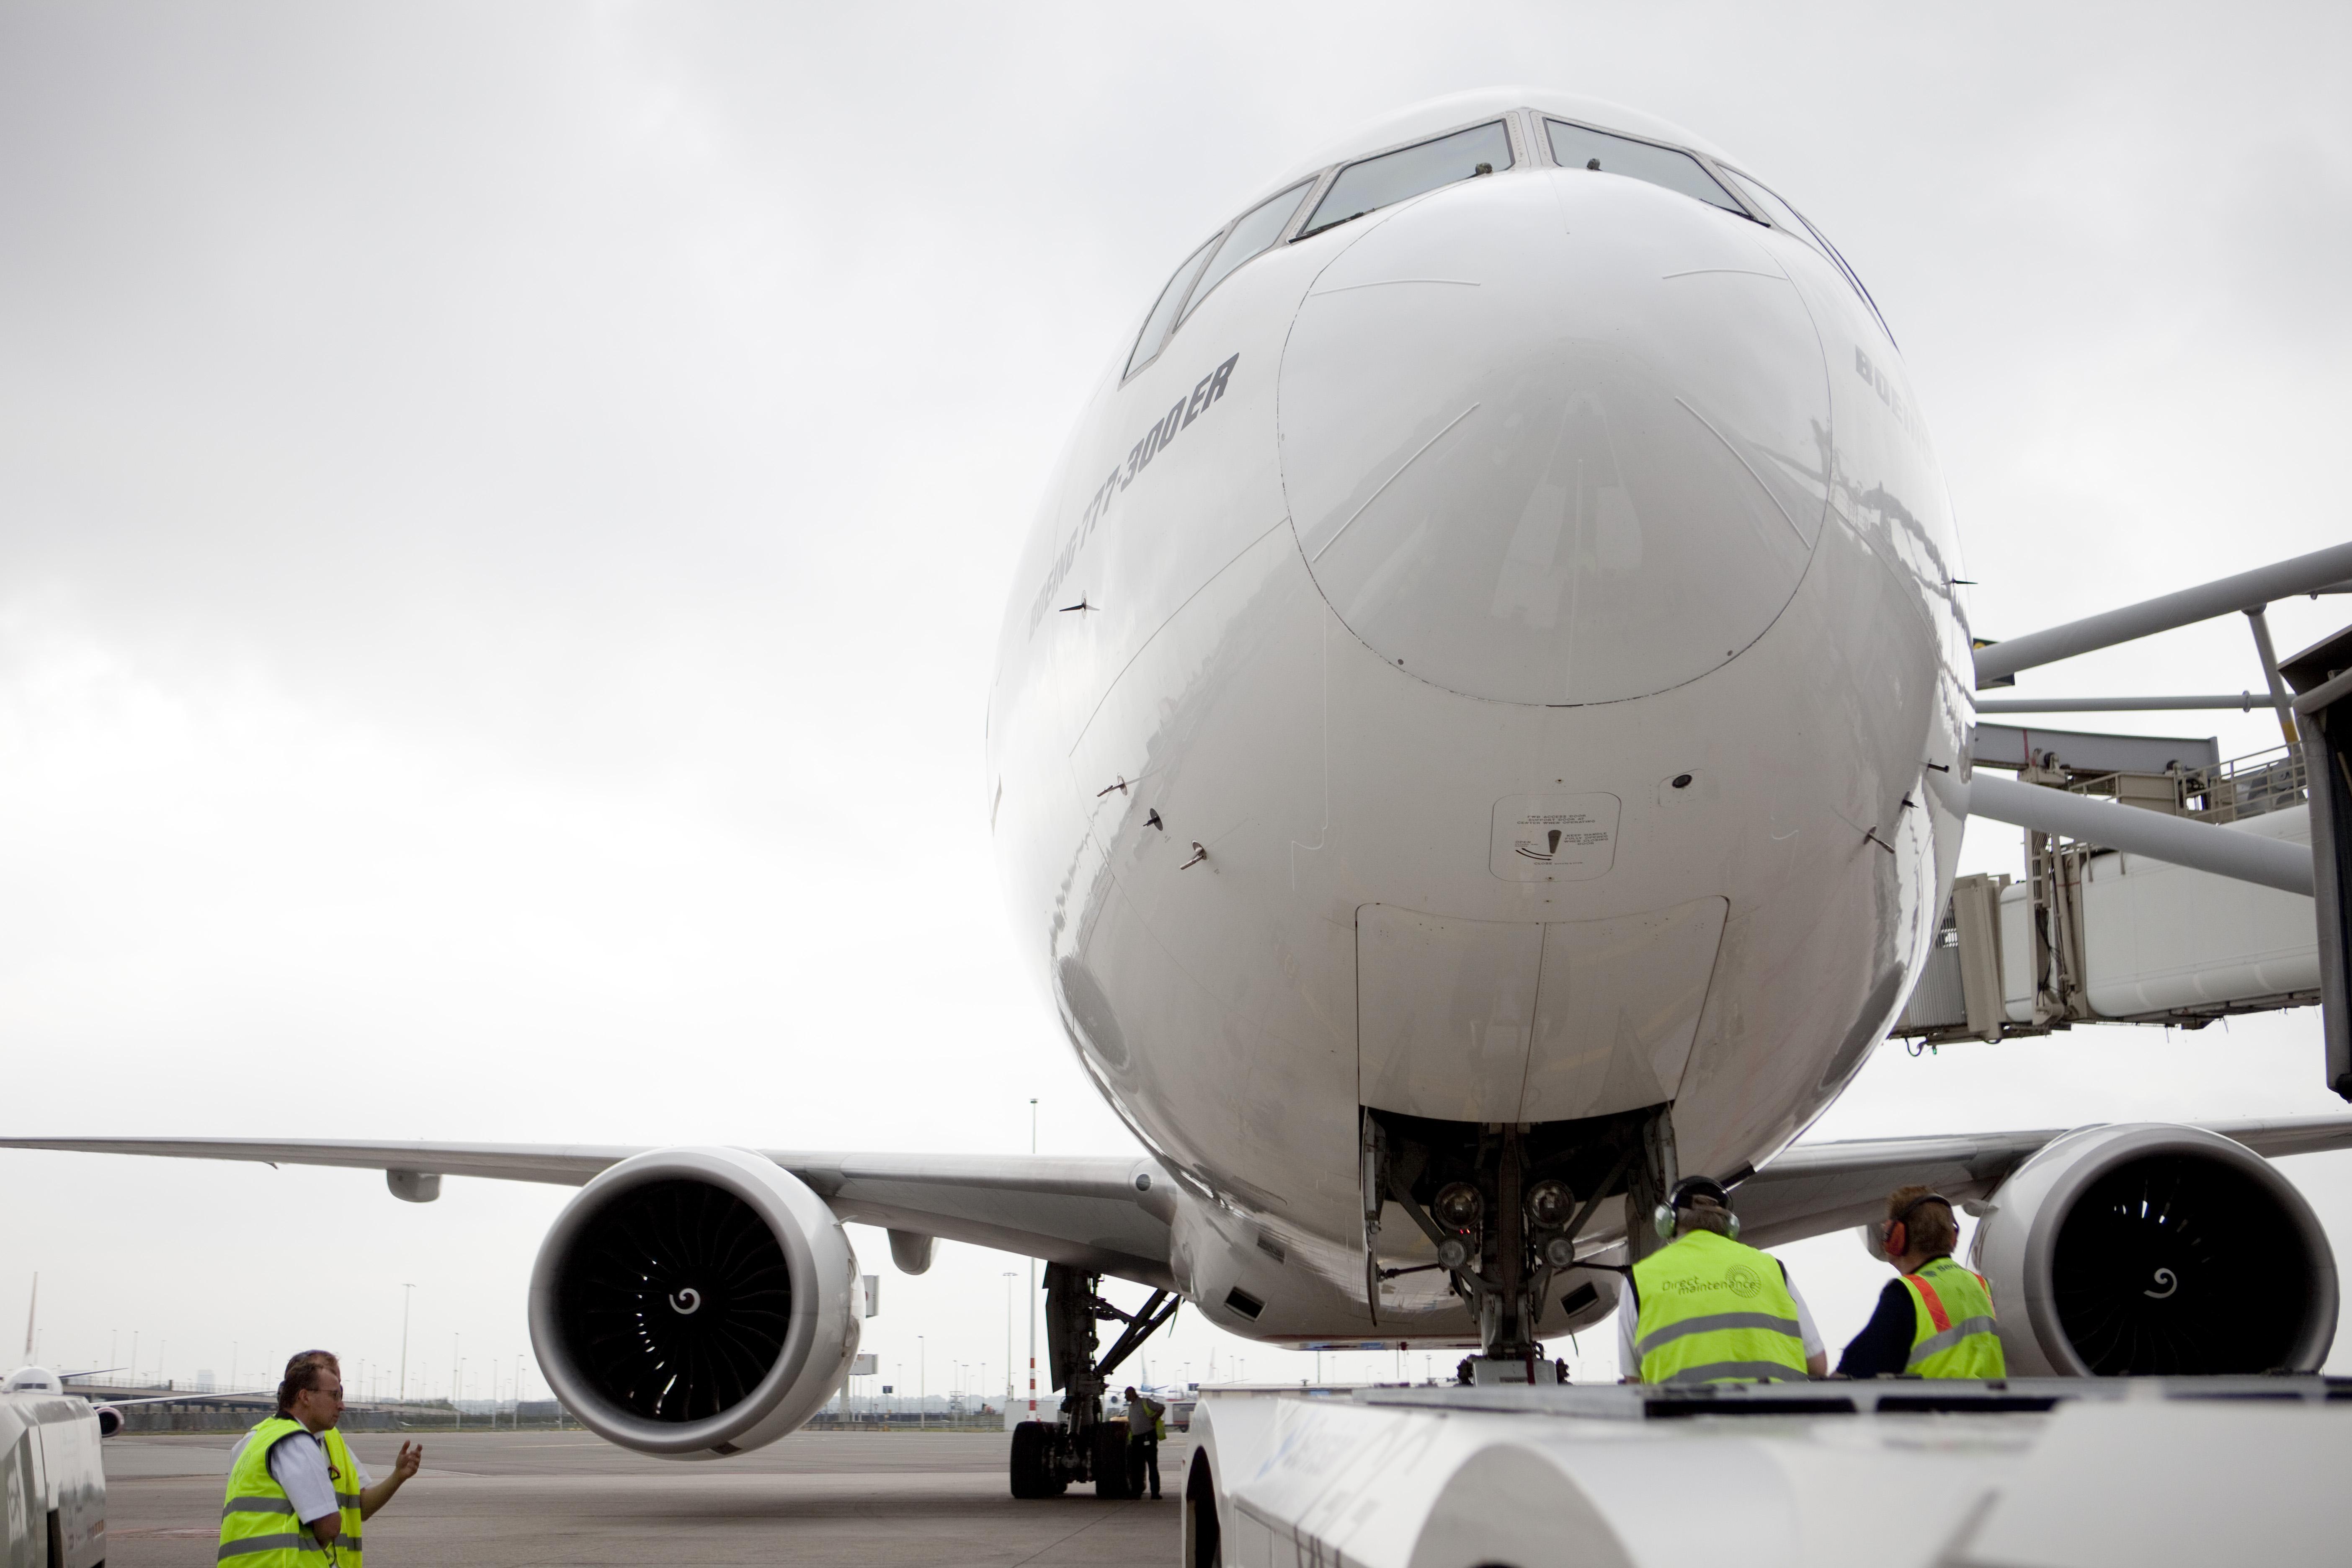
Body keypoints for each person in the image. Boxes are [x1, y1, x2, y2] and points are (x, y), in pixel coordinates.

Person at [1620, 1175, 1829, 1383]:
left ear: (1668, 1221)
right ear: (1730, 1225)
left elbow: (1632, 1381)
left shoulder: (1639, 1280)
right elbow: (1818, 1365)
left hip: (1683, 1406)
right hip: (1777, 1405)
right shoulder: (1773, 1268)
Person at [220, 1349, 421, 1564]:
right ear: (303, 1393)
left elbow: (359, 1508)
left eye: (340, 1390)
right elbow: (329, 1526)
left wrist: (397, 1477)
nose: (341, 1404)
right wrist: (317, 1544)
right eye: (334, 1393)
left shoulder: (330, 1441)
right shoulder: (288, 1440)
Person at [1836, 1186, 2006, 1378]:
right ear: (1953, 1236)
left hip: (1937, 1399)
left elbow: (1856, 1366)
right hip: (1990, 1398)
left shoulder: (1907, 1293)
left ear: (1896, 1236)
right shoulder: (1979, 1285)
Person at [1122, 1384, 1165, 1499]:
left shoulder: (1145, 1402)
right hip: (1137, 1440)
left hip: (1148, 1438)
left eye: (1127, 1395)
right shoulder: (1131, 1407)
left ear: (1132, 1394)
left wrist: (1155, 1418)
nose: (1126, 1397)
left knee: (1152, 1466)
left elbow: (1162, 1408)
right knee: (1137, 1468)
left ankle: (1155, 1493)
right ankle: (1137, 1492)